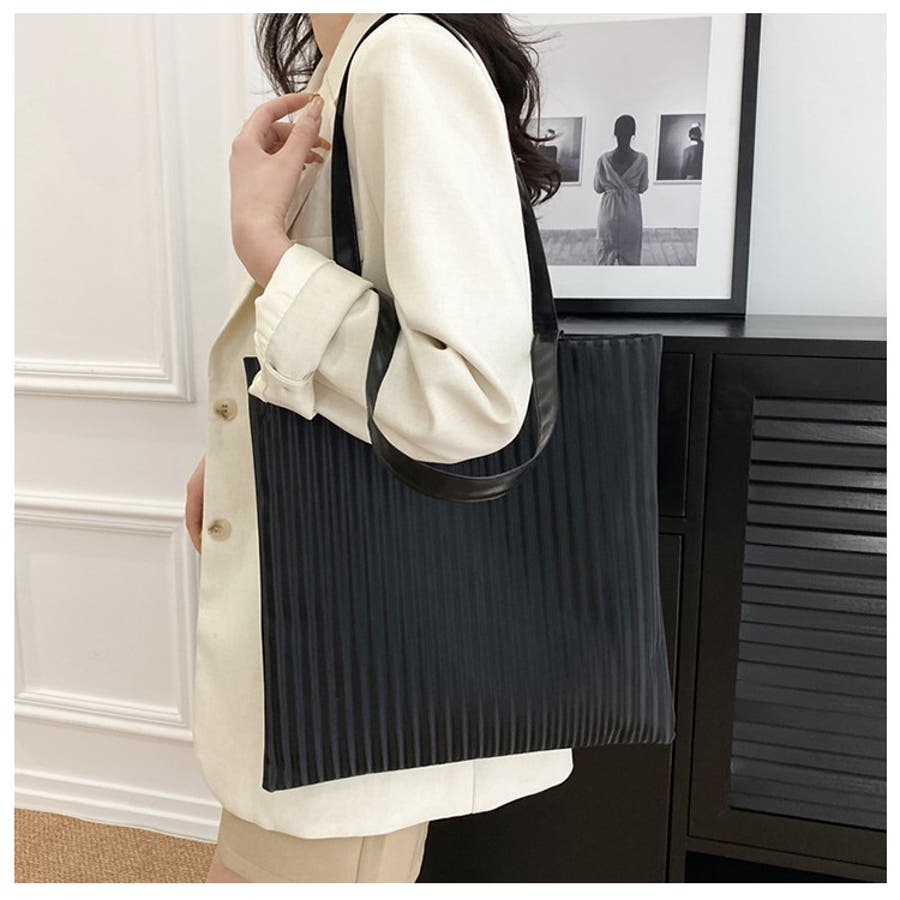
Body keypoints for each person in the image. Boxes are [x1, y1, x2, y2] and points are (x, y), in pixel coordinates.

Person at [183, 13, 574, 883]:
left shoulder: (403, 54)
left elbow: (466, 394)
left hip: (351, 664)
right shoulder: (357, 59)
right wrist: (244, 454)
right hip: (342, 644)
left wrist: (263, 241)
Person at [593, 114, 649, 266]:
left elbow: (597, 188)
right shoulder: (642, 159)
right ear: (633, 134)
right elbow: (643, 188)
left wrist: (612, 186)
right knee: (631, 261)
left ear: (615, 133)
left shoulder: (603, 159)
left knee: (604, 260)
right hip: (631, 214)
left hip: (608, 214)